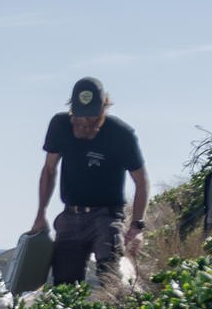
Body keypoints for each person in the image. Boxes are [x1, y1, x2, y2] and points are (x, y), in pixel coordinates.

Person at [30, 76, 148, 293]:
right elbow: (49, 170)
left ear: (104, 108)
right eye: (80, 116)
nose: (85, 122)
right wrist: (40, 215)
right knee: (63, 288)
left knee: (110, 274)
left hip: (107, 215)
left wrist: (137, 226)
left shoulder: (121, 134)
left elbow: (141, 181)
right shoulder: (59, 126)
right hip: (71, 216)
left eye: (92, 116)